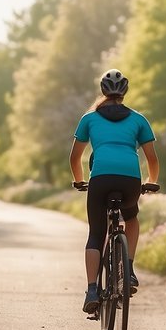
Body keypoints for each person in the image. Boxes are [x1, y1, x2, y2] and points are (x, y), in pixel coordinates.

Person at [68, 68, 160, 315]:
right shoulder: (139, 119)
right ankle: (128, 270)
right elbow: (152, 159)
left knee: (96, 233)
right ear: (125, 91)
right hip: (130, 180)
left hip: (100, 179)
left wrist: (79, 180)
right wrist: (151, 181)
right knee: (130, 218)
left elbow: (75, 157)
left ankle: (91, 290)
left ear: (102, 91)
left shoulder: (89, 118)